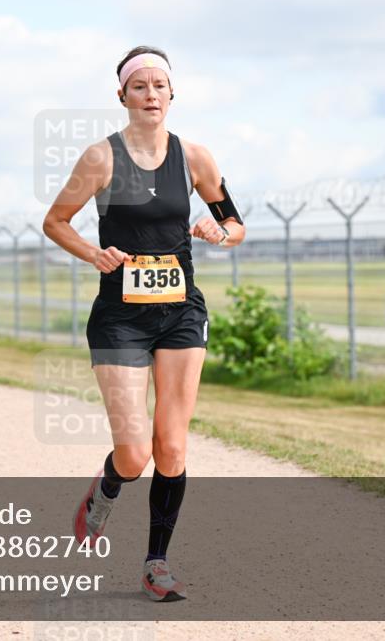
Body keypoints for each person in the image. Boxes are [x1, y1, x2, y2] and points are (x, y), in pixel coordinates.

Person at [42, 46, 245, 602]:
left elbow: (235, 223)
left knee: (172, 448)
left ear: (172, 95)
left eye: (160, 85)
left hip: (181, 313)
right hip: (119, 319)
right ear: (123, 96)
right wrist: (92, 253)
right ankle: (107, 488)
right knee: (134, 453)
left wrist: (217, 231)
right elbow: (55, 221)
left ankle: (157, 562)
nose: (151, 95)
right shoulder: (100, 159)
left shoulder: (194, 158)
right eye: (140, 87)